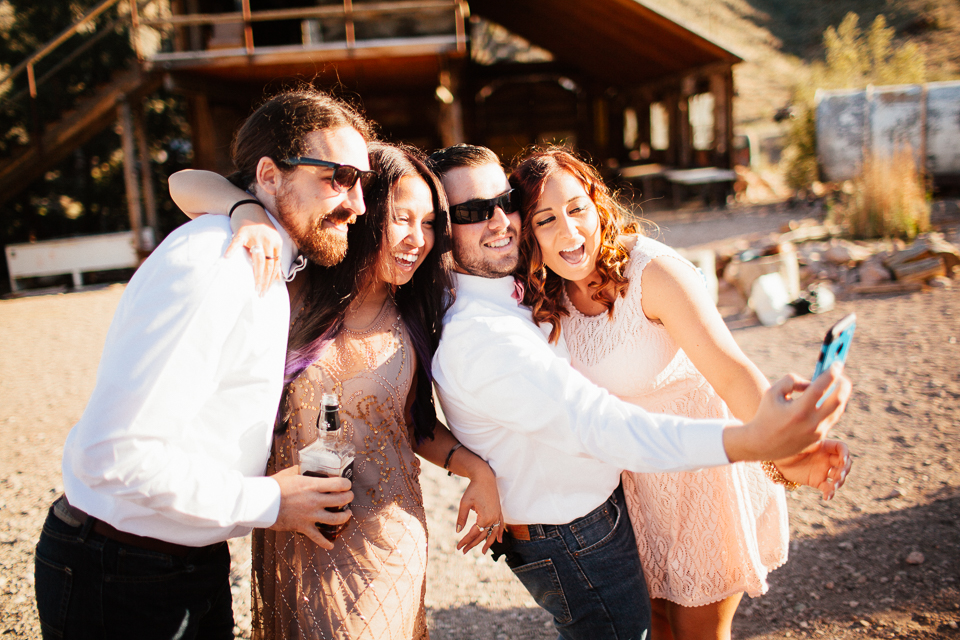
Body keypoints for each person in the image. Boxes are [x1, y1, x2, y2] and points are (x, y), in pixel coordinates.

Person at [424, 144, 852, 640]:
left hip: (698, 479)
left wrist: (787, 448)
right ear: (529, 233)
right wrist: (473, 464)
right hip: (632, 487)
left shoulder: (653, 272)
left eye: (577, 209)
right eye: (545, 219)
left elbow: (731, 372)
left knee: (700, 633)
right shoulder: (544, 294)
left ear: (597, 203)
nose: (569, 231)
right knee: (658, 627)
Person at [33, 88, 372, 639]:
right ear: (269, 174)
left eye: (362, 182)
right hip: (123, 575)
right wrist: (270, 501)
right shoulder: (218, 265)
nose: (356, 203)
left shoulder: (269, 257)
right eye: (338, 177)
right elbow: (112, 455)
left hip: (181, 564)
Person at [168, 141, 503, 640]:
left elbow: (413, 424)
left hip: (386, 536)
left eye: (430, 222)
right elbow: (183, 183)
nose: (419, 238)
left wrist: (477, 469)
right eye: (402, 218)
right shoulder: (293, 278)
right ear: (362, 212)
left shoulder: (419, 308)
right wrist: (246, 212)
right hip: (292, 530)